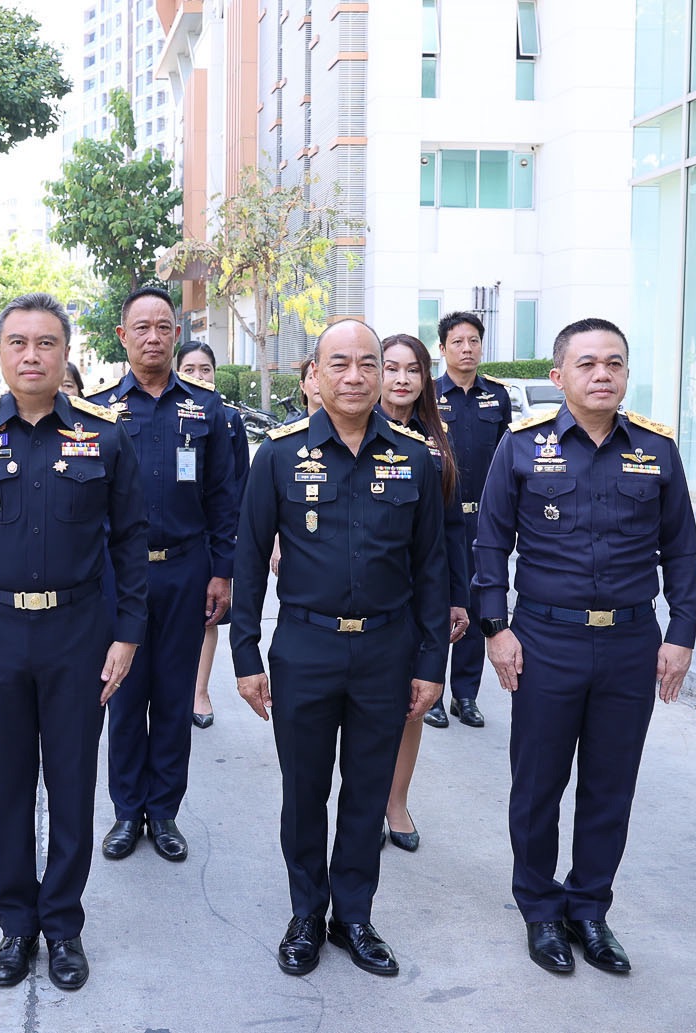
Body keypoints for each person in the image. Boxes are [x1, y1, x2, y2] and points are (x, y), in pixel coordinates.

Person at [0, 292, 148, 992]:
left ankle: (62, 924)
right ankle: (16, 924)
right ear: (0, 352)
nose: (31, 355)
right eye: (18, 342)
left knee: (73, 784)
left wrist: (127, 635)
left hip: (78, 633)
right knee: (7, 785)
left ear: (65, 353)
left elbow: (132, 543)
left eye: (46, 343)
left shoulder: (103, 435)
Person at [473, 317, 696, 977]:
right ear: (558, 376)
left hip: (630, 641)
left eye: (614, 363)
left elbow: (680, 549)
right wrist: (496, 628)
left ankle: (589, 908)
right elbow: (490, 540)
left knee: (610, 785)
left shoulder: (656, 449)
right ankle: (540, 908)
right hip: (546, 639)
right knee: (538, 783)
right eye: (587, 363)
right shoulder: (521, 445)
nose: (602, 374)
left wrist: (681, 633)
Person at [231, 320, 449, 979]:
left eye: (367, 363)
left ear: (382, 374)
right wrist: (245, 655)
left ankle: (353, 916)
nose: (354, 376)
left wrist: (430, 662)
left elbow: (432, 568)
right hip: (305, 646)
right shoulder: (278, 455)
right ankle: (306, 912)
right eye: (339, 364)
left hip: (385, 649)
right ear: (316, 374)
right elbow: (247, 560)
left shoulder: (414, 457)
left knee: (366, 789)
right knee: (304, 790)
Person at [86, 288, 236, 864]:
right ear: (122, 336)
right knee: (122, 694)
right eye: (142, 327)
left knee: (174, 696)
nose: (153, 337)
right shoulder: (98, 412)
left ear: (177, 334)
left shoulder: (207, 410)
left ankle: (165, 811)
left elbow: (224, 499)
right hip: (117, 576)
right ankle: (127, 811)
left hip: (186, 570)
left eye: (164, 326)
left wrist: (222, 572)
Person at [375, 333, 467, 853]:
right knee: (367, 707)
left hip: (423, 594)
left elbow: (453, 528)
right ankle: (366, 803)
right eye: (391, 368)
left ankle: (396, 801)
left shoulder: (436, 440)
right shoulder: (356, 429)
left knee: (414, 700)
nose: (402, 379)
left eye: (412, 369)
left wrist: (458, 597)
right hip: (371, 591)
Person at [427, 311, 515, 729]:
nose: (467, 349)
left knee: (479, 605)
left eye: (474, 341)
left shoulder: (497, 396)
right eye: (458, 342)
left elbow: (508, 459)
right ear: (442, 348)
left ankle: (465, 695)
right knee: (437, 603)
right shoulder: (427, 394)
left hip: (484, 522)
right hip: (438, 519)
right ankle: (431, 692)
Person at [176, 340, 249, 729]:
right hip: (176, 530)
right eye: (189, 369)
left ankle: (199, 691)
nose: (198, 376)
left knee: (207, 616)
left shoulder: (229, 418)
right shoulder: (169, 411)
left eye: (205, 369)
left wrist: (230, 542)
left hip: (212, 533)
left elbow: (238, 483)